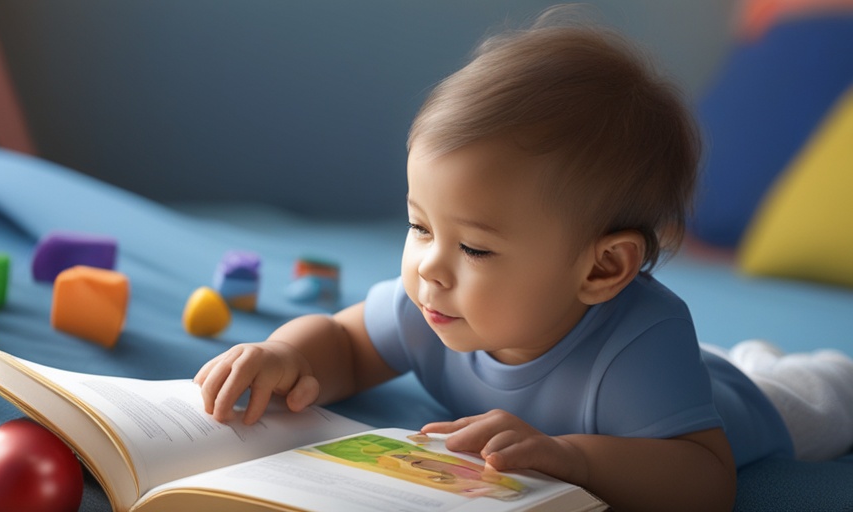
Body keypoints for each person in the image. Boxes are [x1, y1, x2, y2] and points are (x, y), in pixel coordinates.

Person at [194, 7, 853, 511]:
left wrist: (573, 458)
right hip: (683, 378)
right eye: (419, 226)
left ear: (601, 270)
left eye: (474, 247)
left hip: (755, 405)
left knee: (817, 390)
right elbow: (345, 341)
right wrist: (289, 357)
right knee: (719, 364)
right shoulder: (432, 301)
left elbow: (704, 479)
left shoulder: (642, 345)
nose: (430, 266)